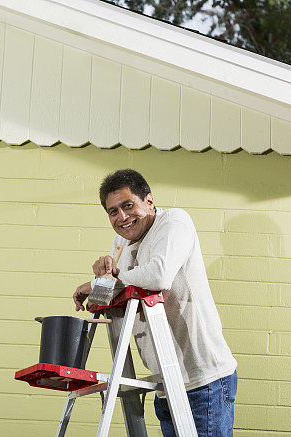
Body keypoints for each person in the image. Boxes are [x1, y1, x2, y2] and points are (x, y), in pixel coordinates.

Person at [72, 169, 238, 437]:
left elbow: (158, 274)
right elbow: (118, 288)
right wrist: (102, 279)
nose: (122, 217)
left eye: (128, 206)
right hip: (167, 382)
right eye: (113, 212)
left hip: (202, 381)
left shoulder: (174, 222)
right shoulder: (120, 242)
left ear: (149, 201)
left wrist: (96, 285)